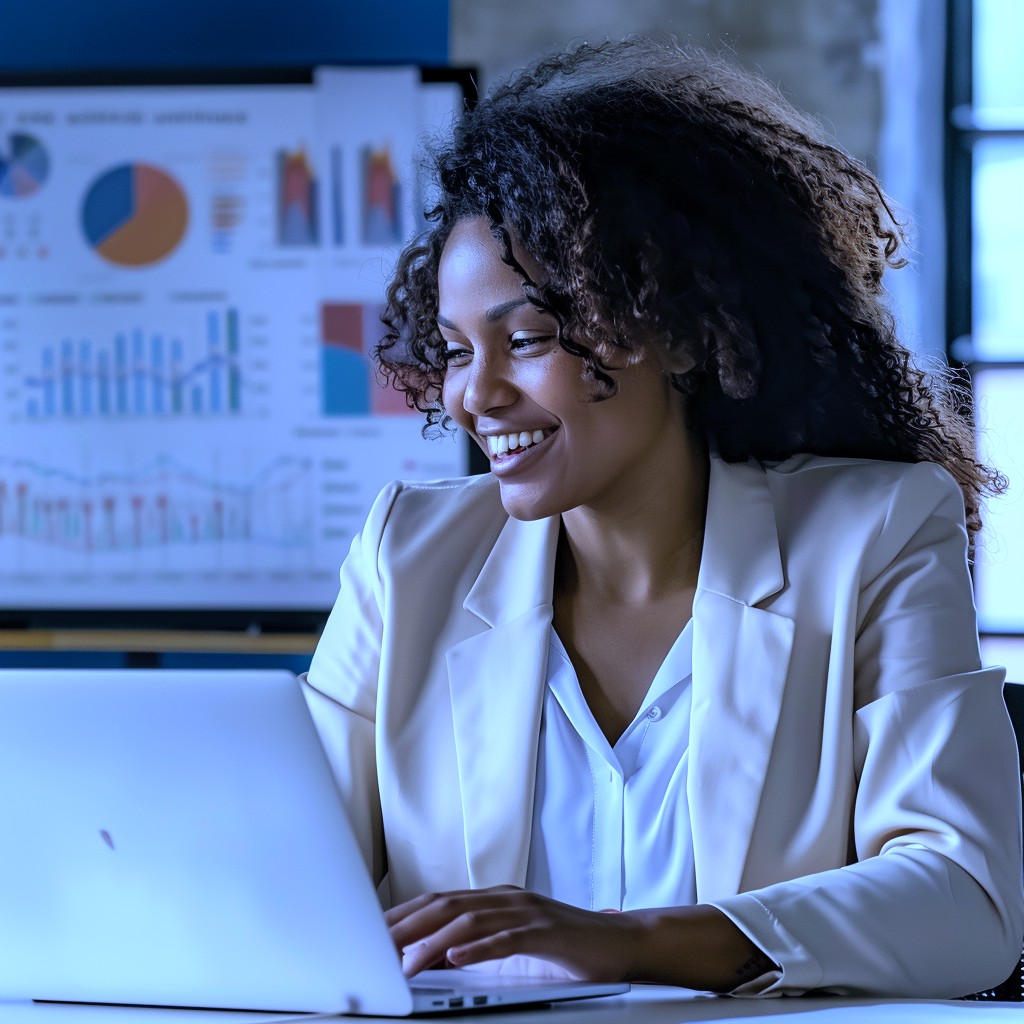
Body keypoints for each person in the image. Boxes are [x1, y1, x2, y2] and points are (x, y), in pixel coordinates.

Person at [303, 38, 1024, 997]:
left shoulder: (874, 534)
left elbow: (965, 902)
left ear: (678, 330)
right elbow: (286, 868)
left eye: (528, 340)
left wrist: (626, 942)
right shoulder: (408, 557)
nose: (475, 396)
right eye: (456, 350)